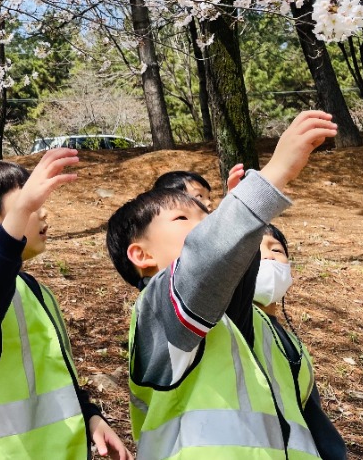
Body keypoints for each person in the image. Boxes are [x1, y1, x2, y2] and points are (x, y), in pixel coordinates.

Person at [105, 110, 338, 459]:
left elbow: (312, 422)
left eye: (210, 218)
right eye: (184, 218)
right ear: (141, 255)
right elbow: (205, 260)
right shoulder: (159, 309)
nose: (206, 225)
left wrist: (239, 230)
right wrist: (274, 174)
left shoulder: (265, 327)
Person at [0, 150, 133, 460]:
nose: (43, 213)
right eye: (30, 204)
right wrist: (21, 214)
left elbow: (54, 377)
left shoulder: (34, 291)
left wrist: (89, 417)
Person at [251, 224, 348, 459]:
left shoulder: (294, 344)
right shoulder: (231, 323)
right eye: (255, 249)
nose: (268, 256)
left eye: (277, 250)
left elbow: (312, 414)